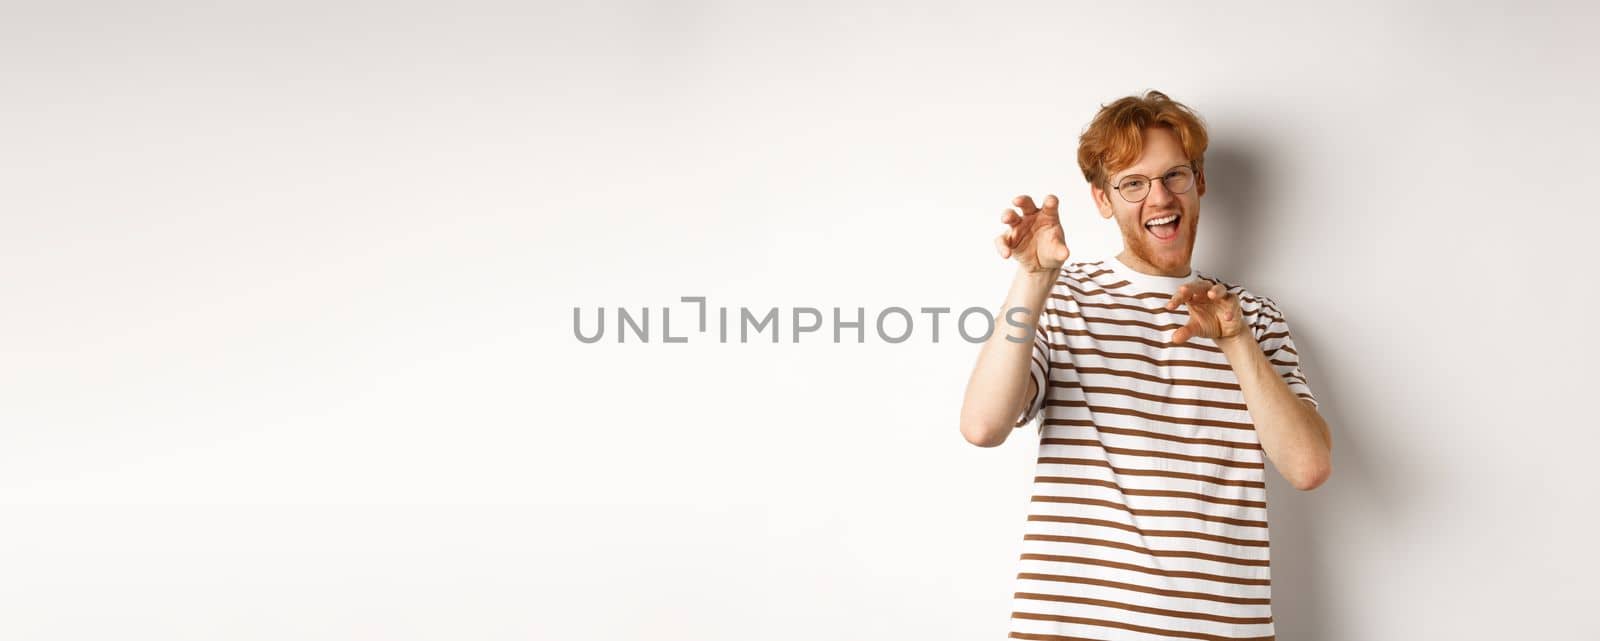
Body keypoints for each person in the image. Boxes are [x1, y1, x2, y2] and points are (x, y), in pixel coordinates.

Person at [958, 89, 1333, 639]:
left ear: (1199, 182)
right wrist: (1033, 279)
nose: (1159, 197)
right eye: (1133, 183)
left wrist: (1236, 342)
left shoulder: (1252, 316)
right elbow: (982, 426)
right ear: (1103, 200)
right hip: (1073, 629)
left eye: (1174, 176)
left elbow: (1309, 467)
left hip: (1223, 630)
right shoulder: (1062, 298)